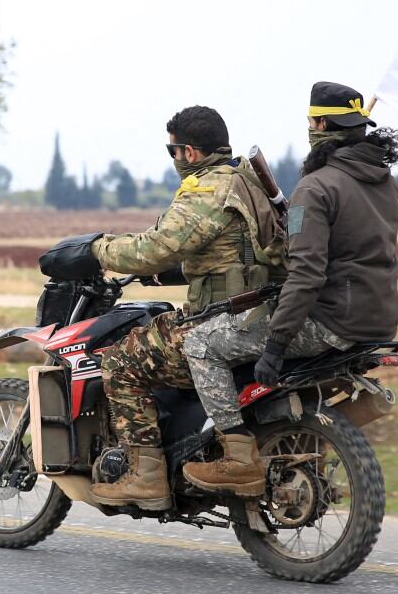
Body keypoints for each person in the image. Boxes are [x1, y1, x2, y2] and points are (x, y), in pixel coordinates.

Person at [180, 81, 398, 495]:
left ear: (319, 123)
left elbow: (306, 275)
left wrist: (277, 345)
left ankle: (236, 457)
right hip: (380, 317)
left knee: (200, 343)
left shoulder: (316, 188)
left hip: (330, 319)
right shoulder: (385, 182)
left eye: (310, 121)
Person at [87, 105, 286, 510]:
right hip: (259, 308)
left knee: (121, 362)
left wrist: (98, 249)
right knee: (159, 328)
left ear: (190, 153)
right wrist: (173, 276)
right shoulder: (249, 180)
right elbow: (235, 253)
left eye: (173, 151)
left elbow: (156, 247)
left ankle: (146, 478)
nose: (175, 159)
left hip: (223, 319)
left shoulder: (207, 188)